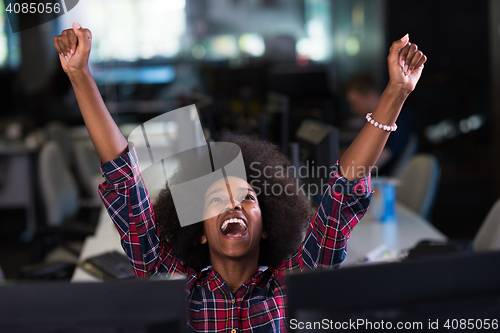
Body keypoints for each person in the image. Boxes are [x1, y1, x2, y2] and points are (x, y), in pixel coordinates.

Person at [53, 23, 426, 332]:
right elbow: (125, 181)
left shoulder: (294, 280)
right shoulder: (168, 280)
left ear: (266, 226)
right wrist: (80, 75)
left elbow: (342, 192)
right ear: (199, 230)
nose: (233, 203)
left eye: (247, 198)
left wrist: (396, 92)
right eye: (215, 200)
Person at [344, 73, 418, 176]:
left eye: (355, 103)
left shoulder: (394, 123)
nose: (353, 109)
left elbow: (366, 168)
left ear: (371, 96)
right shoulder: (376, 122)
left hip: (378, 184)